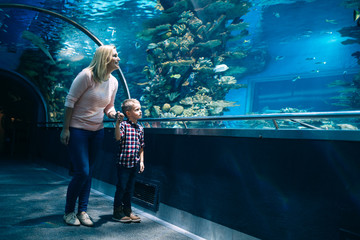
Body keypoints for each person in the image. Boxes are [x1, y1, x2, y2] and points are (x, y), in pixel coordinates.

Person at [60, 45, 121, 227]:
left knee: (89, 173)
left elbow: (109, 106)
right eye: (115, 56)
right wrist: (65, 129)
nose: (118, 59)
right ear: (105, 58)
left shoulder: (114, 82)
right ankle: (69, 211)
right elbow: (70, 101)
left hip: (97, 131)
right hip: (77, 129)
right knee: (82, 171)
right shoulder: (87, 75)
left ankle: (82, 211)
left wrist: (113, 114)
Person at [113, 98, 145, 223]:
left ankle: (127, 210)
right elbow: (117, 138)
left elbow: (142, 146)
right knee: (121, 188)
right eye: (137, 109)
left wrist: (141, 161)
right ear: (128, 113)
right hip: (123, 164)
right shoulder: (123, 125)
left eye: (140, 109)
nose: (140, 111)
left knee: (130, 188)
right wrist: (117, 124)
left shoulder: (140, 128)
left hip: (134, 164)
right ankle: (117, 211)